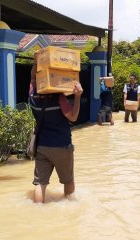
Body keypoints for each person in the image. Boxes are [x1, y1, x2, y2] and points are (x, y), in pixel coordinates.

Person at [29, 58, 83, 203]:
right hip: (62, 145)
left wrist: (36, 64)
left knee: (40, 183)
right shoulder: (59, 99)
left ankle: (37, 210)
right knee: (68, 181)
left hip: (42, 147)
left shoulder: (32, 97)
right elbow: (73, 117)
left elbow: (33, 80)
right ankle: (71, 207)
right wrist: (77, 97)